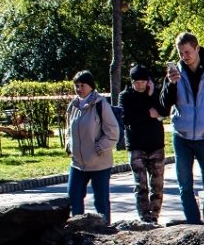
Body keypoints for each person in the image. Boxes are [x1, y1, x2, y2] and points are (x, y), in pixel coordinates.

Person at [159, 32, 204, 225]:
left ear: (197, 49)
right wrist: (170, 84)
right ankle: (193, 222)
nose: (184, 56)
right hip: (181, 136)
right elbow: (164, 105)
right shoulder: (174, 74)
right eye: (180, 52)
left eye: (187, 51)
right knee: (184, 183)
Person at [65, 71, 120, 224]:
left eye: (83, 85)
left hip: (99, 164)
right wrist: (69, 144)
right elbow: (69, 129)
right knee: (73, 197)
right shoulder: (74, 105)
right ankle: (77, 231)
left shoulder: (101, 104)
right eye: (76, 85)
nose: (79, 89)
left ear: (91, 86)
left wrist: (99, 147)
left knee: (100, 202)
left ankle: (105, 232)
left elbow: (113, 133)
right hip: (77, 164)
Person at [120, 64, 166, 223]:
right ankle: (144, 217)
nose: (139, 85)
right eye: (136, 82)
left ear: (148, 81)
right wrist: (147, 113)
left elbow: (162, 111)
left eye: (143, 81)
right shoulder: (126, 96)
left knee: (157, 185)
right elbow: (127, 119)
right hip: (137, 145)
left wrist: (152, 94)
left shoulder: (155, 93)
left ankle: (154, 216)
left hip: (156, 144)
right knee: (141, 185)